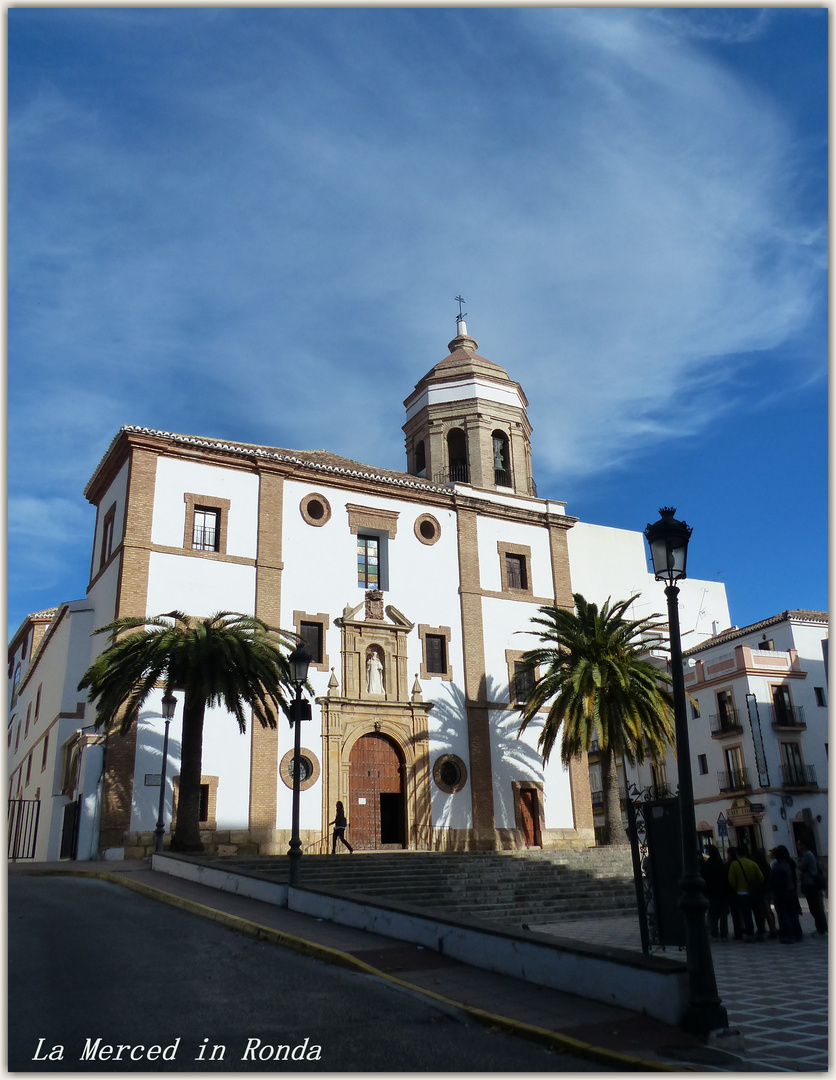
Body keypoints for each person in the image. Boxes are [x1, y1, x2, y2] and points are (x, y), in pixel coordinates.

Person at [727, 846, 764, 941]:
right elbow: (760, 877)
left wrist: (737, 887)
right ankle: (761, 932)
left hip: (741, 893)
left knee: (746, 915)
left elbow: (731, 880)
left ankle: (750, 933)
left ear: (736, 854)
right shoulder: (752, 863)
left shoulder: (734, 865)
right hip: (753, 893)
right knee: (757, 913)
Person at [769, 845, 803, 943]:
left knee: (783, 914)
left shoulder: (777, 866)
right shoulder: (788, 863)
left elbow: (773, 879)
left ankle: (788, 935)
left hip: (781, 893)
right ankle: (797, 933)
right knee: (792, 913)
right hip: (790, 890)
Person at [797, 837, 827, 936]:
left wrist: (799, 861)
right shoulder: (808, 855)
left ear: (804, 845)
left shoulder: (807, 855)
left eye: (800, 844)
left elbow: (800, 866)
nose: (798, 846)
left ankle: (822, 930)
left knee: (816, 907)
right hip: (810, 883)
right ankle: (820, 928)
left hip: (811, 884)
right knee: (815, 907)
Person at [701, 845, 732, 941]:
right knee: (723, 916)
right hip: (723, 892)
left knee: (713, 915)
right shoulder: (722, 865)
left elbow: (702, 879)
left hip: (711, 893)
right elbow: (727, 879)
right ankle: (724, 934)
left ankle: (714, 934)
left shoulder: (705, 866)